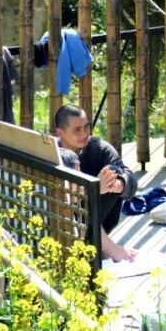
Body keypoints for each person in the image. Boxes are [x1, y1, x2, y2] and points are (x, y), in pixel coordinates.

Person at [54, 104, 138, 262]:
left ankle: (99, 243)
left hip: (101, 221)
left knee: (113, 171)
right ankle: (105, 246)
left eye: (86, 127)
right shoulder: (54, 154)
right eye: (77, 130)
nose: (84, 133)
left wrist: (119, 184)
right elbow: (59, 197)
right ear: (60, 132)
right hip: (66, 227)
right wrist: (94, 188)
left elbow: (130, 180)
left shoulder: (98, 147)